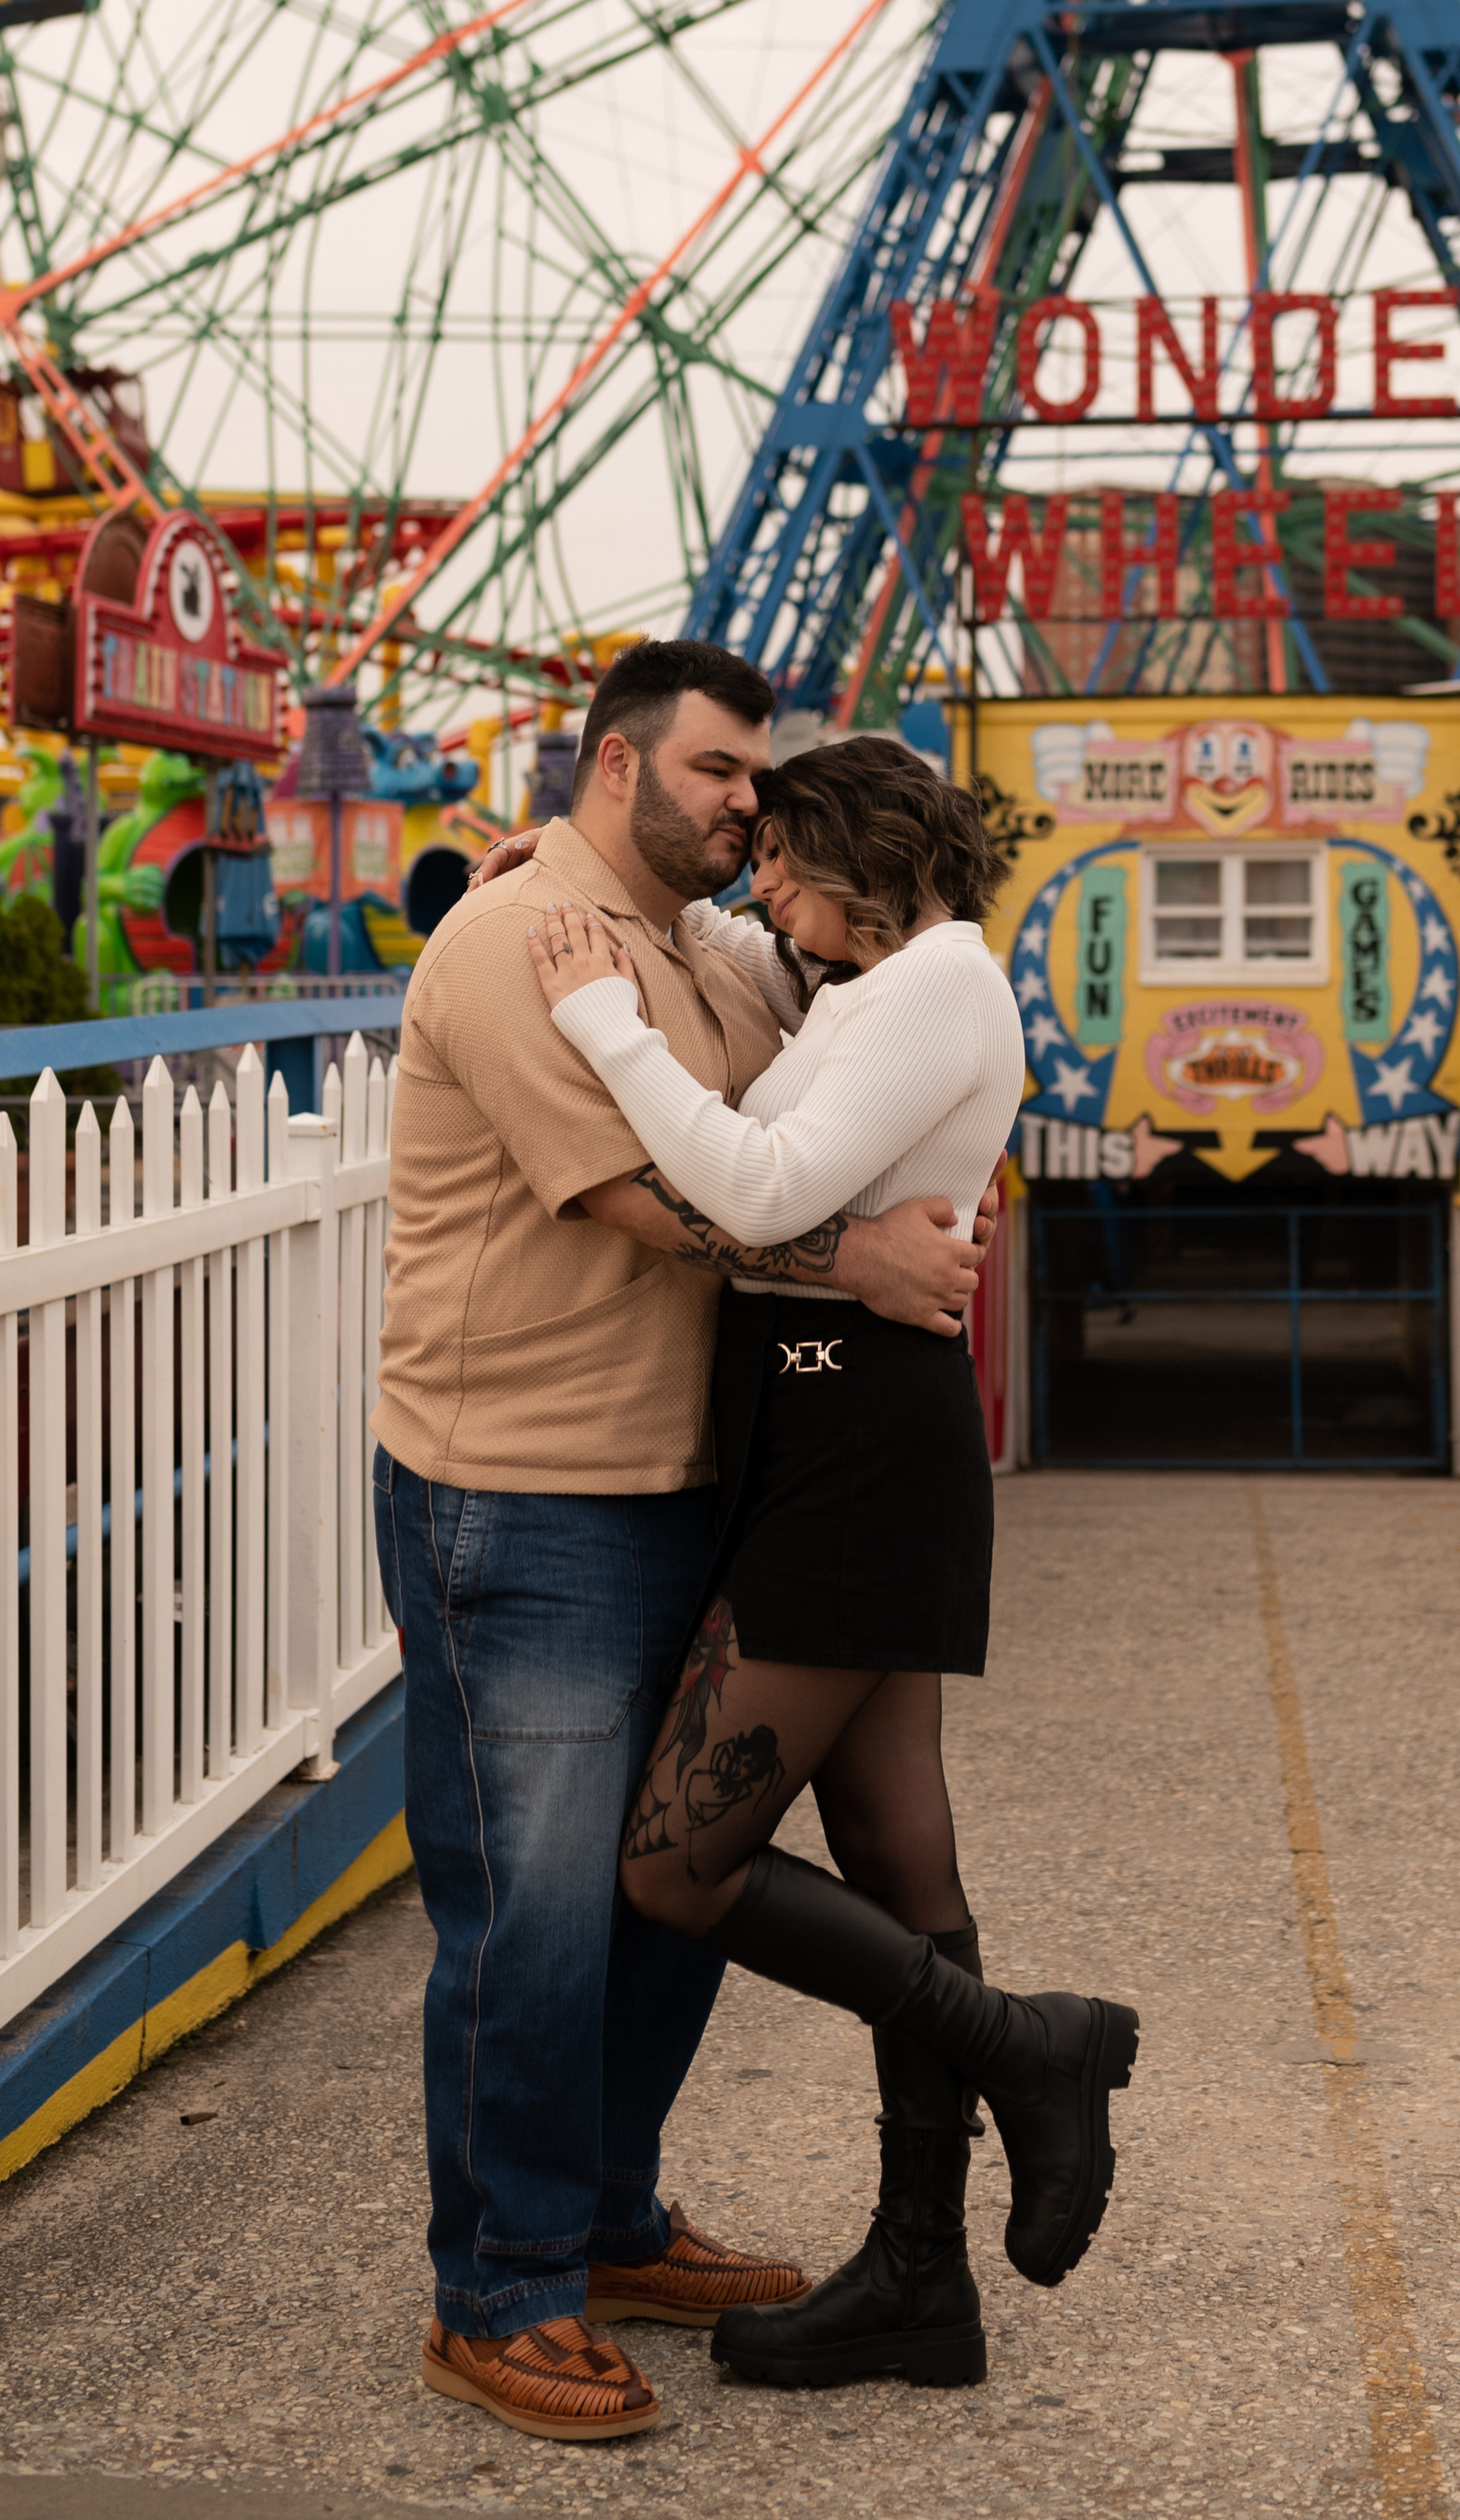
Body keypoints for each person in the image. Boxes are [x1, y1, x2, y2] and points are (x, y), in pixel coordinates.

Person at [375, 642, 994, 2447]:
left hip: (675, 1481)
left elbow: (781, 1084)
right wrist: (857, 1262)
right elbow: (662, 1206)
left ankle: (609, 2219)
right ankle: (498, 2291)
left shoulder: (670, 947)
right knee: (535, 1917)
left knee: (666, 1894)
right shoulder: (519, 946)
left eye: (759, 782)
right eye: (719, 772)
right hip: (526, 1483)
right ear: (616, 761)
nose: (744, 805)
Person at [526, 736, 1138, 2398]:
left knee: (676, 1862)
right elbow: (767, 993)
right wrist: (606, 883)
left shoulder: (940, 986)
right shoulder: (874, 985)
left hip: (855, 1447)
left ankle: (1032, 2047)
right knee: (894, 1863)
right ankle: (921, 2279)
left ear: (869, 854)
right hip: (829, 1425)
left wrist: (597, 1020)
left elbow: (757, 1180)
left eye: (786, 859)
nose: (762, 889)